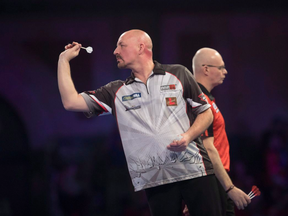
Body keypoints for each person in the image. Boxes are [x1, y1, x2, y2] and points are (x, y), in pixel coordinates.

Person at [58, 29, 221, 216]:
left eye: (121, 45)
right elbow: (70, 102)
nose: (115, 51)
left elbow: (206, 113)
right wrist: (63, 60)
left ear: (140, 47)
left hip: (196, 172)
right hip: (156, 181)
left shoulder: (178, 73)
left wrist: (188, 136)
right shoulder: (116, 91)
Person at [183, 48, 251, 216]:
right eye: (221, 67)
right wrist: (230, 188)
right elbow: (207, 147)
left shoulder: (207, 99)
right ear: (206, 69)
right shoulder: (198, 101)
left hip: (215, 179)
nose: (225, 71)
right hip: (210, 179)